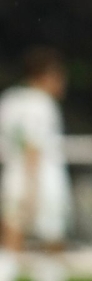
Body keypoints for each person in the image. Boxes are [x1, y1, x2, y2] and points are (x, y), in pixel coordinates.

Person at [0, 47, 71, 281]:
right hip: (41, 180)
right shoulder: (41, 104)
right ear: (45, 75)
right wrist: (31, 187)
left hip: (12, 174)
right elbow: (33, 146)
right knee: (52, 242)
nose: (62, 83)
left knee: (11, 240)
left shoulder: (10, 99)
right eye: (58, 76)